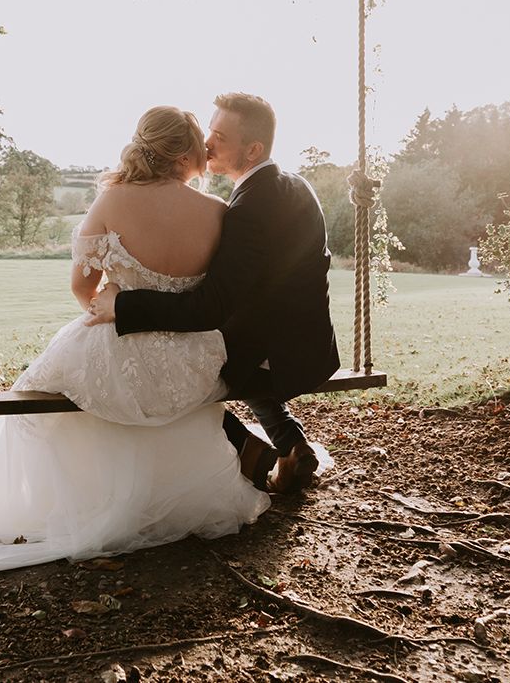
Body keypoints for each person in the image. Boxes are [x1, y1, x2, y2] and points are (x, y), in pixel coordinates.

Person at [0, 106, 270, 574]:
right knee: (148, 393)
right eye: (201, 141)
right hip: (193, 358)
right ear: (181, 158)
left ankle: (94, 502)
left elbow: (81, 286)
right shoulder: (218, 212)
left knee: (57, 387)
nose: (208, 150)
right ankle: (169, 500)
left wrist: (108, 303)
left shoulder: (113, 201)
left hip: (121, 342)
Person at [89, 92, 340, 495]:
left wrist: (123, 304)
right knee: (215, 352)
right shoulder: (296, 186)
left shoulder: (246, 210)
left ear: (253, 149)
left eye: (219, 136)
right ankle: (293, 444)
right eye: (210, 130)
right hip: (310, 346)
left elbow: (210, 308)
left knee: (170, 371)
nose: (206, 143)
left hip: (275, 356)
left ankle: (250, 454)